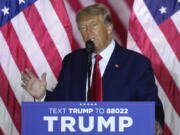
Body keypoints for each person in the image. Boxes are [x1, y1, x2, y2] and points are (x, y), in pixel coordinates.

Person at [21, 3, 164, 134]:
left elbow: (151, 103)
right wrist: (42, 96)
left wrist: (155, 122)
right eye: (83, 28)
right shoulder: (72, 61)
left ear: (109, 28)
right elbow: (61, 104)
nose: (88, 32)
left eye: (93, 25)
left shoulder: (136, 63)